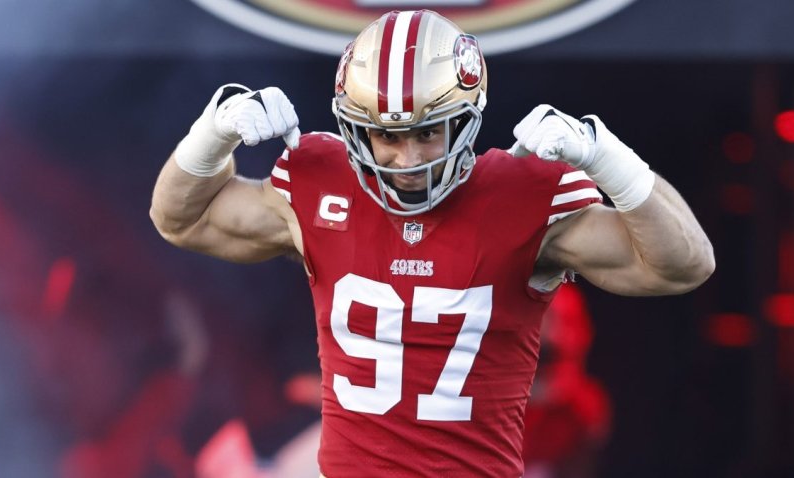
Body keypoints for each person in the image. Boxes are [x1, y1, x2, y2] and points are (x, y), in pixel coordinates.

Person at [150, 9, 714, 477]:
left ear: (465, 119)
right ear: (355, 128)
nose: (409, 158)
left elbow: (682, 265)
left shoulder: (525, 196)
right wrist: (213, 134)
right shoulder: (318, 185)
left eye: (427, 131)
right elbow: (180, 219)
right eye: (388, 135)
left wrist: (605, 155)